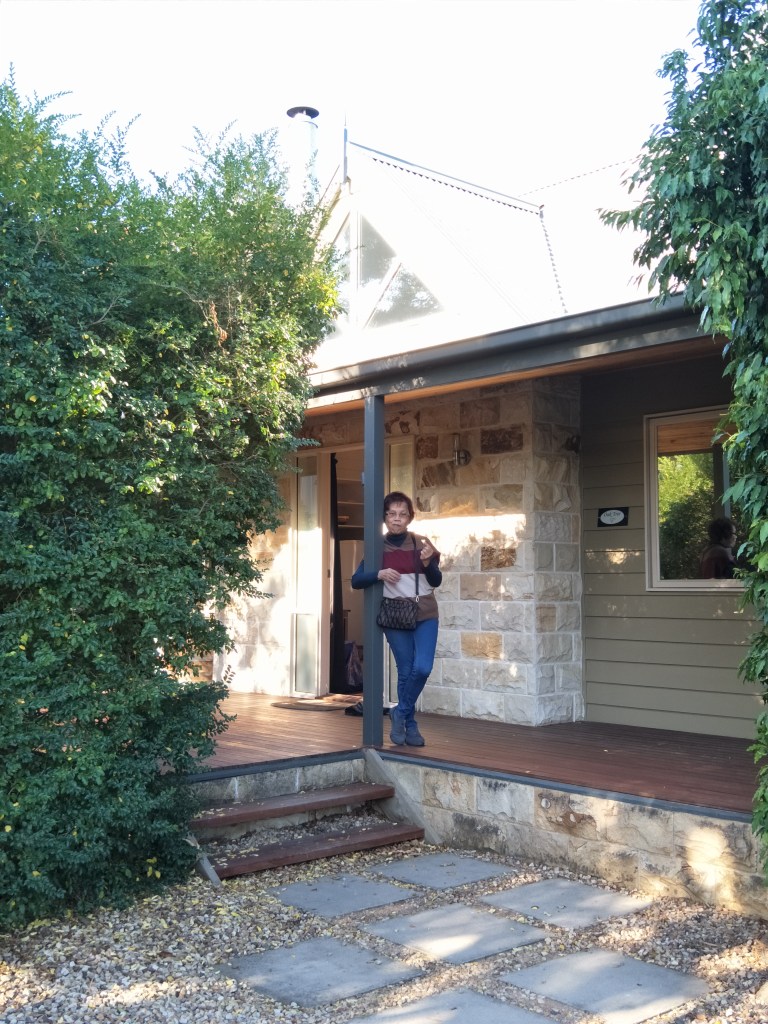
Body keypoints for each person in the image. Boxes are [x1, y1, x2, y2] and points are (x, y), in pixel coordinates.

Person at [351, 491, 442, 747]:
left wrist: (429, 564)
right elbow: (357, 580)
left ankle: (399, 712)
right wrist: (378, 574)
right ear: (385, 517)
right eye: (392, 514)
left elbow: (436, 580)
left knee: (422, 668)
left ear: (410, 517)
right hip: (394, 615)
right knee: (405, 671)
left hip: (425, 613)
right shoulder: (377, 546)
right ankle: (410, 725)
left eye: (402, 514)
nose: (397, 519)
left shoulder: (421, 542)